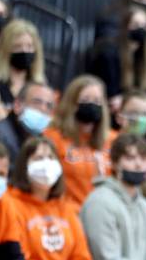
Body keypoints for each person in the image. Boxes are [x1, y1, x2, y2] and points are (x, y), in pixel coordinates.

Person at [45, 75, 111, 209]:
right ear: (72, 103)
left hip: (101, 212)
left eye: (97, 101)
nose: (92, 105)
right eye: (85, 100)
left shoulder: (111, 139)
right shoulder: (53, 137)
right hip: (65, 210)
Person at [85, 6, 146, 119]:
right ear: (125, 27)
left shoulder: (143, 55)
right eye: (135, 24)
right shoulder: (109, 53)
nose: (140, 29)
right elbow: (111, 95)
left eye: (144, 26)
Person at [0, 81, 55, 173]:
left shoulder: (41, 139)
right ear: (17, 106)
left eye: (49, 106)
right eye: (37, 102)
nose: (43, 109)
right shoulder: (0, 135)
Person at [0, 18, 46, 108]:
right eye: (17, 46)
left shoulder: (40, 88)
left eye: (29, 46)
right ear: (6, 50)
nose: (24, 51)